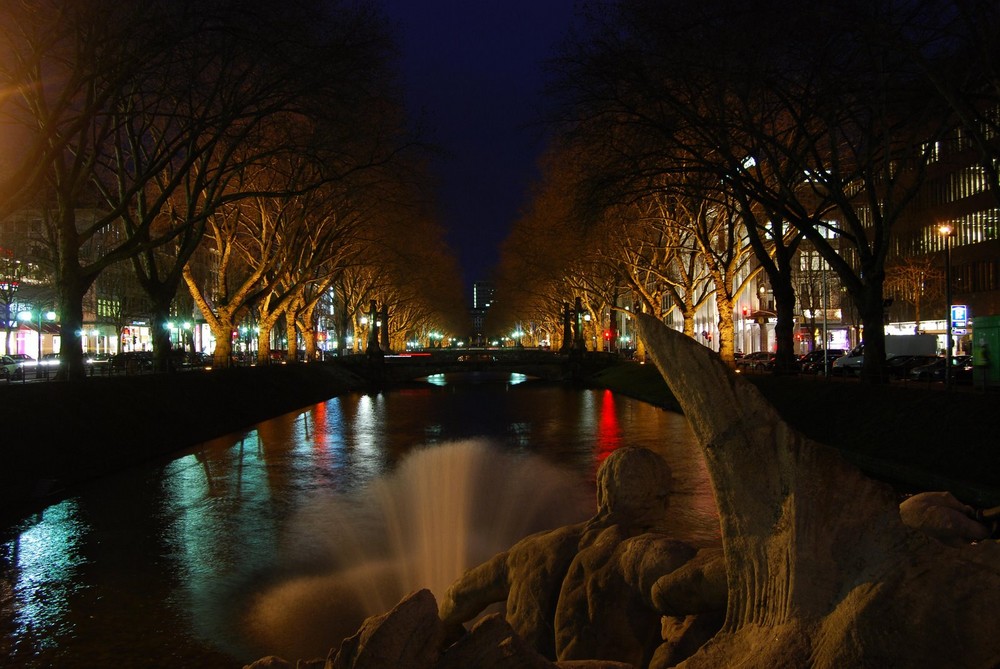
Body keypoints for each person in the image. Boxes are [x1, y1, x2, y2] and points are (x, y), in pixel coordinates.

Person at [439, 447, 702, 664]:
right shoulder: (644, 555)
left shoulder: (529, 550)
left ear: (601, 492)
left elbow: (456, 597)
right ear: (661, 502)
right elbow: (709, 578)